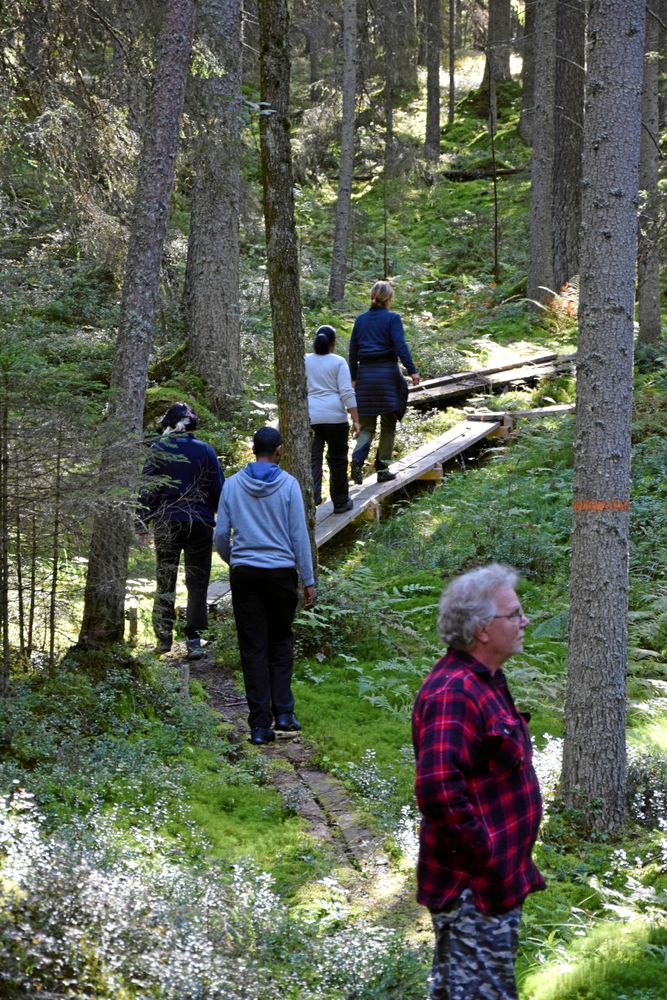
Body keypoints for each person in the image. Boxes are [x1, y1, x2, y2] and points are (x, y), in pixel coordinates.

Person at [412, 563, 545, 1000]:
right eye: (515, 614)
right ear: (483, 629)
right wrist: (485, 855)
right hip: (472, 888)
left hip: (493, 881)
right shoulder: (455, 691)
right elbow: (436, 788)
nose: (524, 621)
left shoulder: (485, 680)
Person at [213, 426, 316, 745]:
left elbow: (220, 536)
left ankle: (260, 726)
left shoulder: (231, 485)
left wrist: (237, 561)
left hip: (246, 575)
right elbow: (299, 535)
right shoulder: (288, 484)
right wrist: (309, 580)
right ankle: (284, 713)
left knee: (253, 648)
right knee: (281, 641)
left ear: (252, 449)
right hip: (281, 573)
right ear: (280, 451)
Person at [137, 402, 225, 661]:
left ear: (169, 425)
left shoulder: (158, 449)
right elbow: (219, 490)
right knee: (198, 581)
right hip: (200, 523)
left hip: (167, 522)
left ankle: (163, 638)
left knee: (165, 576)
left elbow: (148, 489)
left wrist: (141, 523)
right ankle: (194, 640)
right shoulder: (206, 451)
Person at [348, 280, 420, 484]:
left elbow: (353, 351)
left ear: (372, 297)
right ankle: (383, 469)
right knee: (389, 424)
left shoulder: (361, 320)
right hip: (388, 377)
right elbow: (400, 346)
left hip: (366, 377)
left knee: (367, 426)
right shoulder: (392, 319)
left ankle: (357, 460)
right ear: (389, 298)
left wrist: (354, 378)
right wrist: (413, 371)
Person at [305, 324, 360, 513]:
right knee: (337, 459)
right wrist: (356, 419)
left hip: (310, 417)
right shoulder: (338, 362)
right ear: (333, 343)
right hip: (335, 418)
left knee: (313, 458)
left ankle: (312, 500)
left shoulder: (304, 360)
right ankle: (341, 501)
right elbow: (346, 392)